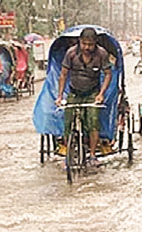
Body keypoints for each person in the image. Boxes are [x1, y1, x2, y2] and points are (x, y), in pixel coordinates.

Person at [55, 27, 112, 166]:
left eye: (90, 44)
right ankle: (69, 154)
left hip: (92, 93)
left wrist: (101, 94)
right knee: (68, 123)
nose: (87, 47)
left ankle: (92, 155)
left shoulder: (101, 54)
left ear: (95, 43)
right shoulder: (71, 54)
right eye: (84, 44)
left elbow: (108, 74)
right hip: (74, 92)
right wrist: (60, 96)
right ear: (80, 42)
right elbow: (63, 75)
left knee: (93, 122)